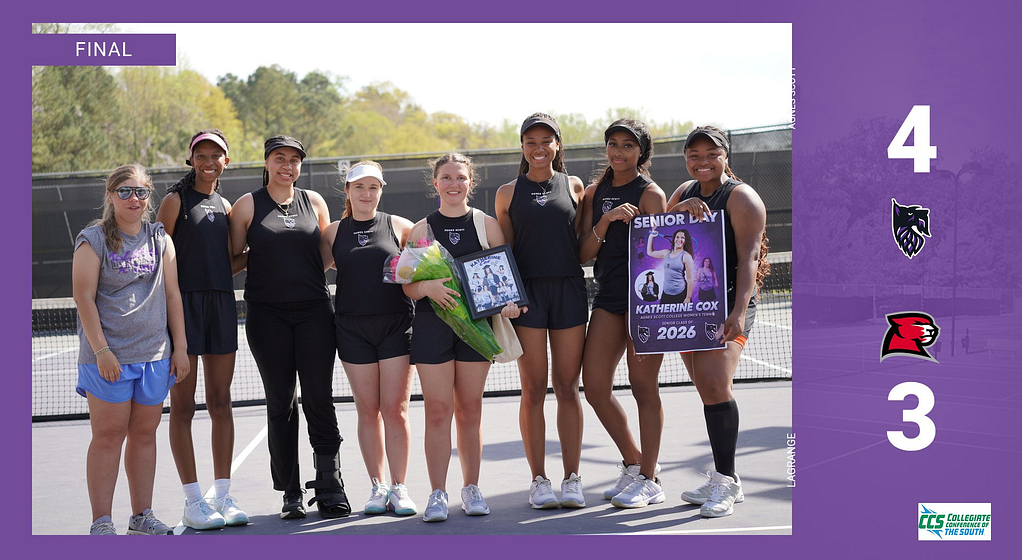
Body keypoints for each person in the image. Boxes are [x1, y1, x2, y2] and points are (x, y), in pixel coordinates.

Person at [228, 136, 350, 519]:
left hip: (315, 313)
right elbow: (233, 260)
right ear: (267, 162)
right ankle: (290, 492)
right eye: (280, 158)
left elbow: (327, 256)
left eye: (294, 160)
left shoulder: (314, 202)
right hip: (267, 318)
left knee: (319, 398)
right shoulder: (246, 206)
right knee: (281, 403)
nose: (288, 165)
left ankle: (330, 484)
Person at [403, 153, 522, 522]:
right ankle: (437, 493)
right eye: (447, 178)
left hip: (476, 329)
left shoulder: (487, 225)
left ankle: (471, 488)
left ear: (471, 183)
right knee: (438, 411)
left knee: (470, 410)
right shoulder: (421, 230)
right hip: (432, 328)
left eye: (461, 178)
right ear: (435, 183)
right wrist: (428, 286)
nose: (454, 184)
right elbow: (407, 287)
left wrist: (508, 303)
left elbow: (502, 279)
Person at [72, 163, 190, 535]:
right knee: (108, 436)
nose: (134, 199)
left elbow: (172, 295)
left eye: (140, 192)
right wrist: (102, 350)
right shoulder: (93, 239)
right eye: (125, 191)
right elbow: (83, 297)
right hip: (108, 359)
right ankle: (101, 522)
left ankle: (142, 516)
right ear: (110, 196)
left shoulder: (161, 239)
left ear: (148, 197)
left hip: (155, 356)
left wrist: (181, 348)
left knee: (144, 435)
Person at [666, 126, 768, 518]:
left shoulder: (742, 198)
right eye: (694, 155)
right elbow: (656, 234)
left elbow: (749, 260)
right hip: (690, 308)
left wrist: (739, 311)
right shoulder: (684, 192)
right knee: (707, 389)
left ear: (726, 156)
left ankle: (728, 481)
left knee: (714, 383)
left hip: (728, 306)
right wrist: (676, 212)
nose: (702, 161)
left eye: (711, 154)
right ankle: (722, 477)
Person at [156, 129, 247, 530]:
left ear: (227, 161)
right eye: (202, 155)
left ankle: (222, 496)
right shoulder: (174, 202)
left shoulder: (226, 205)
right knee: (183, 406)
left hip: (222, 306)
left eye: (217, 155)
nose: (209, 161)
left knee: (221, 402)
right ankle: (193, 502)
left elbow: (227, 263)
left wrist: (257, 251)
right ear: (191, 159)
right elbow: (157, 262)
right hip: (183, 310)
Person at [495, 113, 587, 509]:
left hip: (569, 292)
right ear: (522, 147)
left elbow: (581, 242)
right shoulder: (505, 193)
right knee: (533, 389)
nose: (538, 148)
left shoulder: (576, 186)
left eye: (545, 140)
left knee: (567, 388)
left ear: (558, 144)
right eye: (530, 141)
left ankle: (572, 479)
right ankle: (538, 481)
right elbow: (507, 252)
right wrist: (510, 298)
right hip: (528, 299)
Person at [319, 160, 418, 517]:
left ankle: (399, 488)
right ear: (347, 192)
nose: (366, 193)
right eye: (359, 187)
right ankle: (377, 487)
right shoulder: (331, 233)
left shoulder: (400, 227)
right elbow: (308, 271)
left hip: (396, 327)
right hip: (351, 329)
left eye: (373, 187)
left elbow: (427, 269)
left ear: (381, 190)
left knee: (396, 410)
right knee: (368, 410)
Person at [577, 119, 668, 508]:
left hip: (646, 301)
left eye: (628, 145)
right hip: (608, 298)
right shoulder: (595, 192)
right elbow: (582, 254)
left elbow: (661, 254)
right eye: (612, 144)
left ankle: (650, 478)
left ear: (641, 152)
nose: (618, 151)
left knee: (643, 387)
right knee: (595, 388)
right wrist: (606, 220)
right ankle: (635, 463)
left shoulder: (650, 193)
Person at [646, 229, 694, 304]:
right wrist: (651, 237)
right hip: (666, 294)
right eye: (677, 237)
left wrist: (688, 297)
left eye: (682, 238)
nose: (679, 240)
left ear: (685, 241)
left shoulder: (686, 256)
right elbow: (650, 252)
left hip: (681, 293)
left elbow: (690, 279)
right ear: (674, 239)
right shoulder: (666, 253)